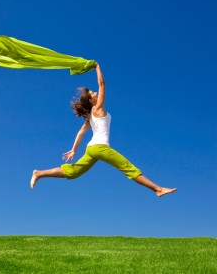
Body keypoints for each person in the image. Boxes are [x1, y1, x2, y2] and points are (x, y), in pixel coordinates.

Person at [30, 63, 177, 197]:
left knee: (74, 172)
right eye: (93, 93)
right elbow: (102, 83)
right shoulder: (98, 108)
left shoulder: (91, 116)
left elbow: (81, 132)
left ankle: (39, 173)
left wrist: (74, 150)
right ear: (91, 101)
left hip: (91, 149)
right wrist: (97, 67)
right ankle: (158, 189)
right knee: (128, 167)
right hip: (100, 147)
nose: (96, 93)